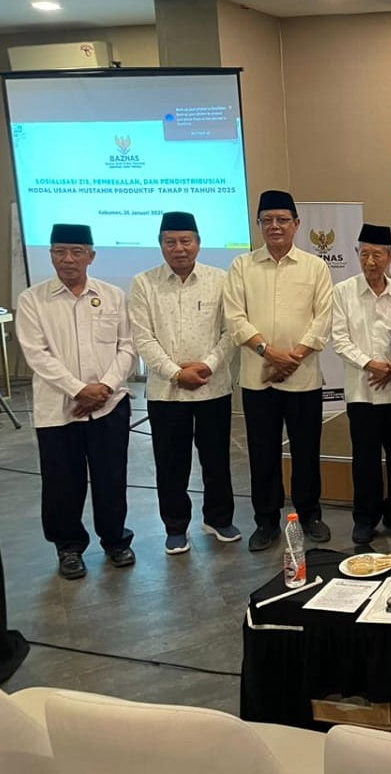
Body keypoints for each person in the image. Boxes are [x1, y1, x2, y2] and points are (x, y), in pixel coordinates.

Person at [15, 224, 137, 579]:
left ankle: (115, 540)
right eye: (60, 251)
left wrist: (105, 387)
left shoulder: (113, 295)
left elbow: (128, 347)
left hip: (109, 405)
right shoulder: (32, 300)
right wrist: (79, 390)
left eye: (76, 252)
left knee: (111, 477)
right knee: (61, 482)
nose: (68, 259)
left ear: (91, 256)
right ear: (51, 255)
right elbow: (36, 354)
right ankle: (68, 547)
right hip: (59, 408)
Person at [223, 190, 334, 552]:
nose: (275, 226)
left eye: (282, 219)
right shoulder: (242, 266)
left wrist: (293, 358)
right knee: (262, 452)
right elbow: (235, 317)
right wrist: (268, 352)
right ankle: (267, 520)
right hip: (258, 379)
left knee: (306, 451)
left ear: (296, 224)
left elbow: (323, 319)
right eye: (267, 220)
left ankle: (310, 514)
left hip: (303, 378)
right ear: (258, 225)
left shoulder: (315, 267)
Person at [129, 211, 239, 555]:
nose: (179, 248)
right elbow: (142, 338)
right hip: (166, 392)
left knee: (216, 460)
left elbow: (230, 332)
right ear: (161, 245)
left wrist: (207, 365)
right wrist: (177, 373)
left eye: (185, 241)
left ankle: (218, 519)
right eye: (170, 242)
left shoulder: (220, 280)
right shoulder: (144, 283)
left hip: (213, 387)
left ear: (198, 243)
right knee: (171, 464)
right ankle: (176, 527)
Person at [330, 224, 391, 545]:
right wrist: (370, 364)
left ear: (390, 256)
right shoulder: (343, 292)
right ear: (357, 254)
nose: (370, 261)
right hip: (362, 392)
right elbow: (339, 339)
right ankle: (365, 518)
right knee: (364, 459)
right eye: (364, 254)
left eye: (377, 254)